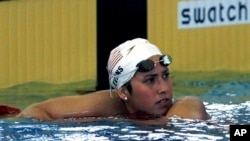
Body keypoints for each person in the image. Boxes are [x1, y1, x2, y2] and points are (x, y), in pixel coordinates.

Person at [18, 38, 210, 122]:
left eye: (165, 76)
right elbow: (34, 112)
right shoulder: (109, 104)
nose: (164, 88)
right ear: (124, 92)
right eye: (150, 80)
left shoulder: (188, 107)